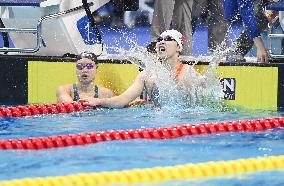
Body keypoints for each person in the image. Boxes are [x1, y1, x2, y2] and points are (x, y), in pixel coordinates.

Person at [83, 30, 206, 108]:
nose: (162, 42)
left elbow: (200, 106)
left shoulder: (188, 72)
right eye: (159, 39)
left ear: (178, 47)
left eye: (168, 39)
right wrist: (99, 101)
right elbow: (122, 100)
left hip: (183, 123)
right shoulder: (147, 75)